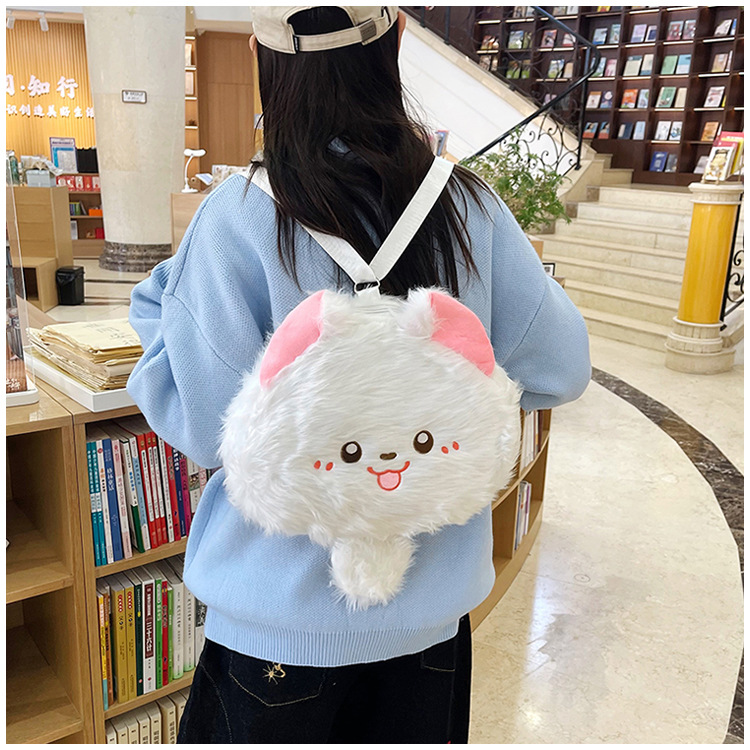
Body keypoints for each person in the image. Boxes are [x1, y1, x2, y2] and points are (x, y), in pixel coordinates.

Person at [126, 5, 591, 744]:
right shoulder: (469, 209)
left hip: (275, 629)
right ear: (397, 38)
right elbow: (562, 369)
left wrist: (163, 324)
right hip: (428, 629)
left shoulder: (237, 216)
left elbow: (210, 428)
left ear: (262, 58)